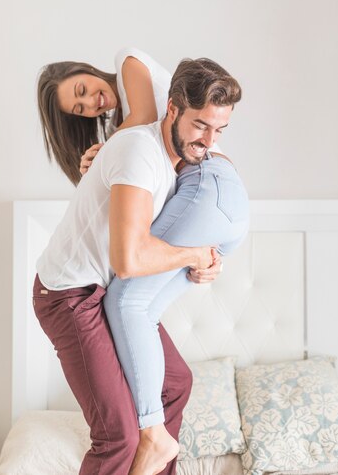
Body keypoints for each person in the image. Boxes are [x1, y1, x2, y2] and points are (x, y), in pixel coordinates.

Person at [35, 53, 248, 474]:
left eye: (219, 130)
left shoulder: (178, 164)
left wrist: (208, 262)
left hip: (99, 289)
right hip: (69, 296)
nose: (209, 143)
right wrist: (193, 254)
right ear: (172, 108)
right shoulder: (138, 151)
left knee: (174, 386)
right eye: (200, 126)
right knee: (119, 435)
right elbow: (130, 260)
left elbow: (162, 249)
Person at [38, 47, 171, 185]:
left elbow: (146, 117)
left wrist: (100, 154)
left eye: (82, 90)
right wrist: (93, 167)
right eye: (80, 109)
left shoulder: (127, 62)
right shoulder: (115, 130)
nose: (90, 103)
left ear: (85, 70)